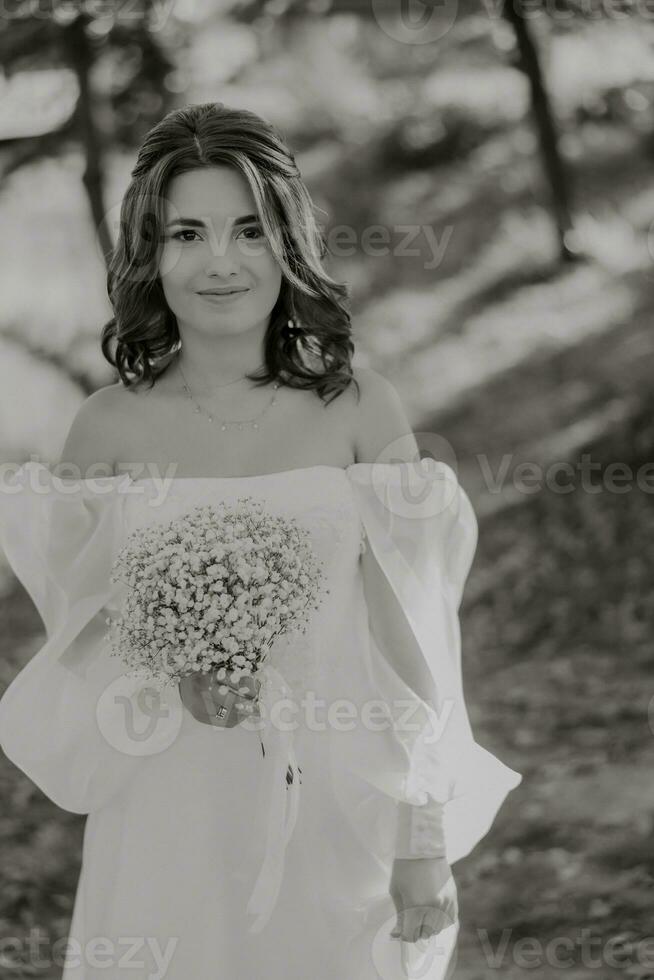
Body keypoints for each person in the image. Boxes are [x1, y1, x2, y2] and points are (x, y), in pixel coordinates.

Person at [0, 102, 522, 979]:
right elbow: (82, 649)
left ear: (286, 241)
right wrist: (170, 677)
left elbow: (416, 639)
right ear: (148, 253)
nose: (220, 262)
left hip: (341, 809)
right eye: (187, 233)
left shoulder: (361, 411)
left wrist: (421, 832)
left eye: (248, 229)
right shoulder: (104, 431)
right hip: (169, 822)